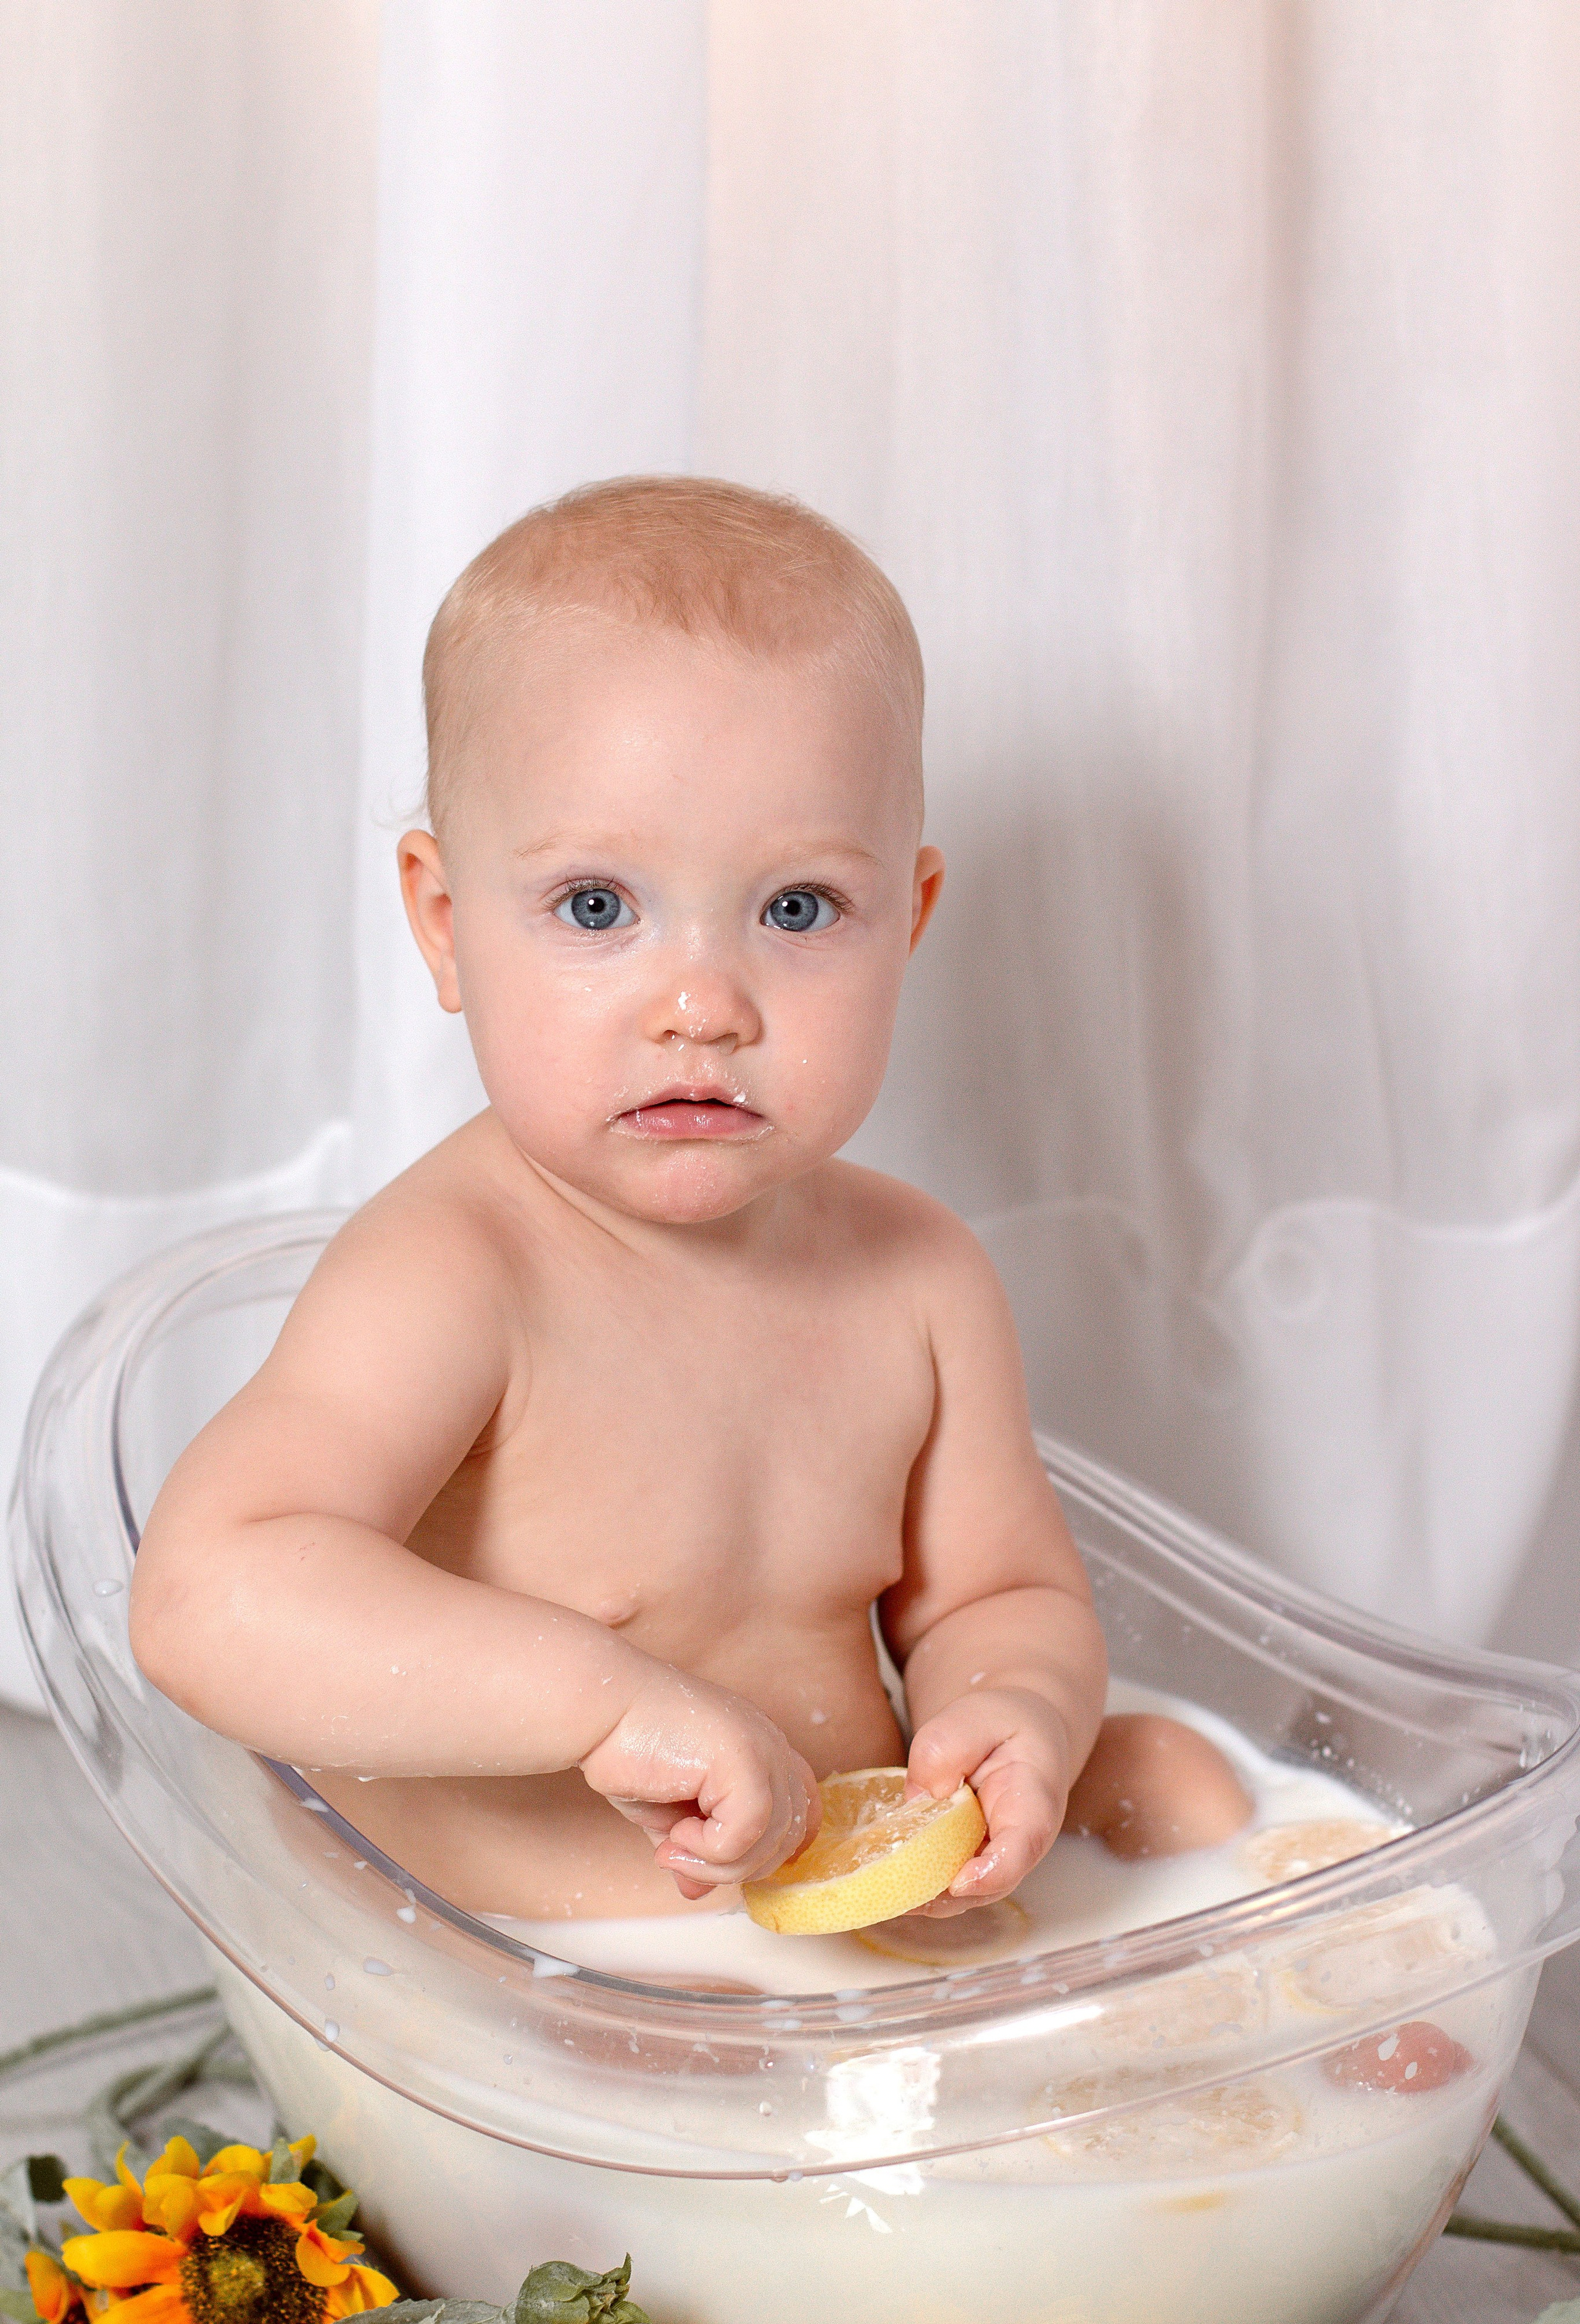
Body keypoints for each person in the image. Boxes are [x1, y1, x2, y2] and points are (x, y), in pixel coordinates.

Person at [130, 477, 1108, 1923]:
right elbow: (208, 1595)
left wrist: (1014, 1709)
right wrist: (599, 1702)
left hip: (847, 1935)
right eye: (596, 907)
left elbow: (996, 1598)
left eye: (795, 909)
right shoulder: (458, 1275)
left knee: (1177, 1795)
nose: (702, 1005)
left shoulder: (919, 1279)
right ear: (446, 927)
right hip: (525, 1972)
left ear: (906, 922)